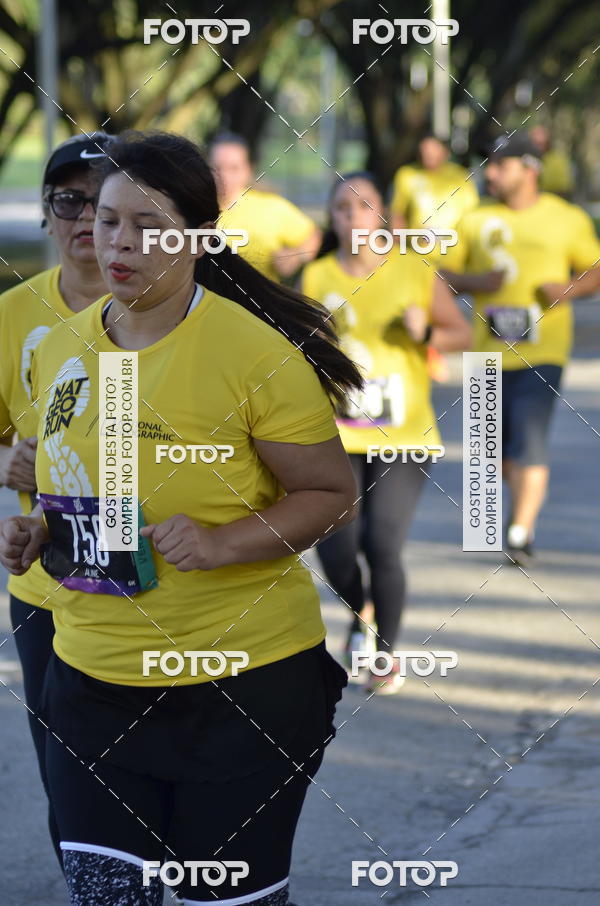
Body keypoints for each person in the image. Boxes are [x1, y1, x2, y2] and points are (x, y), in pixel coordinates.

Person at [0, 131, 362, 906]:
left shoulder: (254, 355)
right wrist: (37, 532)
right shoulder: (59, 346)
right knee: (107, 896)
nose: (118, 243)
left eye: (149, 226)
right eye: (104, 219)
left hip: (240, 690)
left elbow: (332, 492)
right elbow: (73, 484)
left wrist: (225, 540)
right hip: (91, 683)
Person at [301, 172, 472, 694]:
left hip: (403, 434)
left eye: (364, 207)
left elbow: (462, 333)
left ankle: (386, 657)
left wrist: (425, 331)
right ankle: (361, 617)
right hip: (339, 432)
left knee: (382, 543)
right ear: (333, 218)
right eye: (342, 209)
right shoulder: (317, 277)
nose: (353, 217)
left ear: (383, 218)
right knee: (335, 547)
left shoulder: (414, 270)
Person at [0, 131, 112, 865]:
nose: (84, 218)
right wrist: (10, 459)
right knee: (68, 773)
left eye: (102, 203)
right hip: (49, 582)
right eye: (67, 201)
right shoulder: (13, 315)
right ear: (46, 214)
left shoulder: (183, 310)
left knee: (159, 770)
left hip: (174, 582)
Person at [441, 132, 600, 564]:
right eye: (487, 164)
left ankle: (520, 530)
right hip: (485, 351)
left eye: (500, 164)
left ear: (530, 168)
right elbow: (443, 276)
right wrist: (478, 282)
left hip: (542, 351)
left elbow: (595, 268)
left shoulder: (565, 218)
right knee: (490, 452)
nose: (489, 173)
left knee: (528, 442)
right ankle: (509, 514)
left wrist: (567, 289)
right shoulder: (474, 220)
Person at [209, 132, 321, 280]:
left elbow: (312, 235)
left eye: (234, 168)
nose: (224, 177)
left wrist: (296, 257)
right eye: (217, 167)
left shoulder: (272, 207)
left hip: (258, 302)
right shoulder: (189, 208)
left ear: (248, 170)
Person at [389, 133, 479, 232]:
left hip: (454, 243)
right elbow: (397, 213)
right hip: (418, 245)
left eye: (434, 150)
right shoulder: (407, 174)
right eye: (424, 150)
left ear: (445, 152)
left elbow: (472, 212)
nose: (428, 155)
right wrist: (397, 242)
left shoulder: (461, 176)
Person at [529, 125, 575, 199]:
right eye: (535, 143)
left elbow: (562, 186)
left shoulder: (558, 159)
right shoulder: (526, 160)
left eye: (541, 144)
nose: (538, 147)